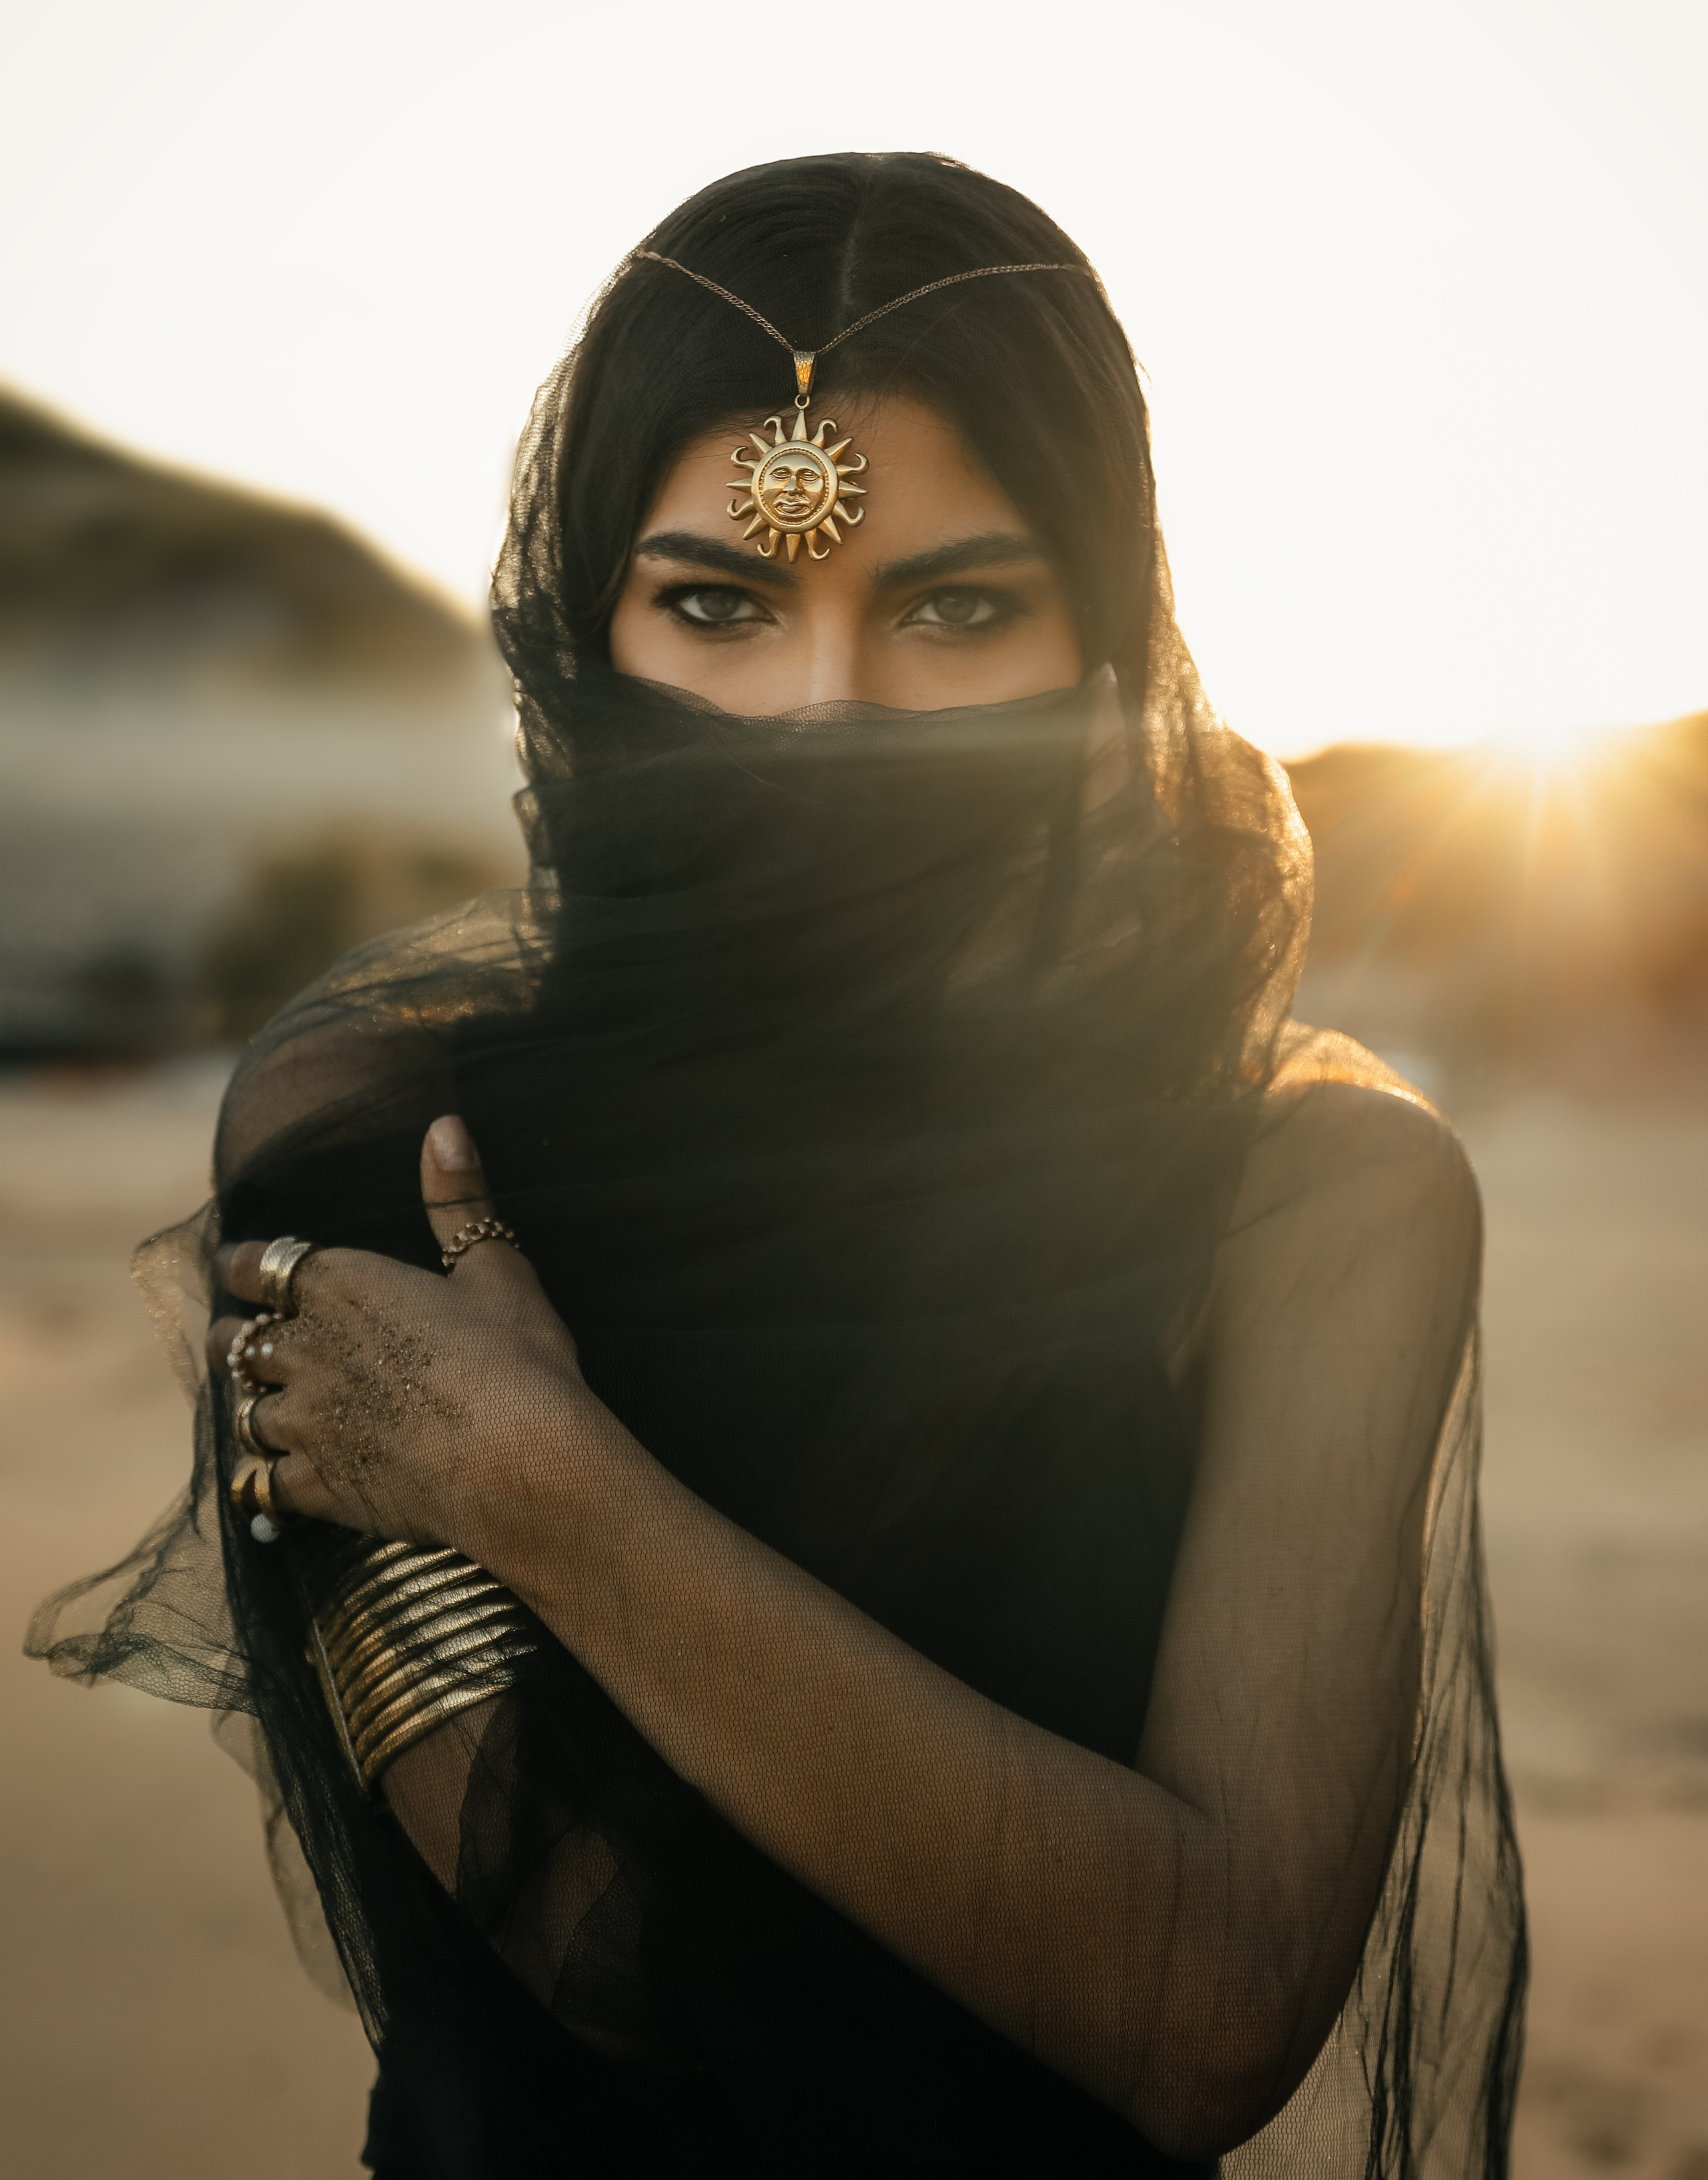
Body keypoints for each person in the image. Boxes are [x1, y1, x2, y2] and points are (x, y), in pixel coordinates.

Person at [31, 152, 1526, 2177]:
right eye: (719, 606)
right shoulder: (377, 1120)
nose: (824, 718)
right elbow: (627, 1961)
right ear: (585, 637)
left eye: (956, 608)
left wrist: (540, 1483)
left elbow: (1206, 2015)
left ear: (1105, 652)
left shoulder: (1323, 1192)